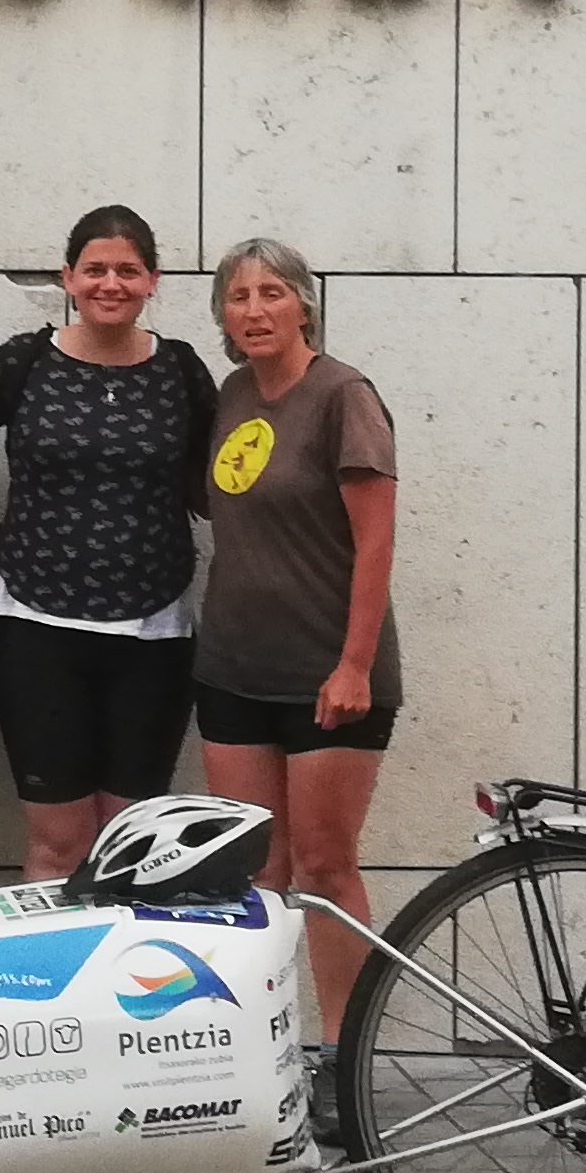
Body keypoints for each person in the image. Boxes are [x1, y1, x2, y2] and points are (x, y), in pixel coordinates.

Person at [0, 207, 217, 883]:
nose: (111, 283)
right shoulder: (24, 360)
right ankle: (56, 954)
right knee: (59, 842)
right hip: (36, 632)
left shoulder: (181, 371)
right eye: (95, 269)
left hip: (154, 635)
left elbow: (222, 478)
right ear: (68, 277)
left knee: (133, 844)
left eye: (128, 270)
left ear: (153, 280)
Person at [193, 237, 401, 1046]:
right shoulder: (233, 395)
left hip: (328, 676)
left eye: (271, 293)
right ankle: (265, 1058)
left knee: (323, 869)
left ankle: (345, 1057)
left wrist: (354, 664)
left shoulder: (344, 396)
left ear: (304, 305)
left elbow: (376, 542)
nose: (254, 310)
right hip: (234, 671)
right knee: (254, 872)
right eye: (238, 296)